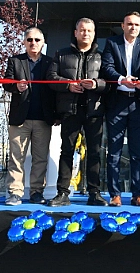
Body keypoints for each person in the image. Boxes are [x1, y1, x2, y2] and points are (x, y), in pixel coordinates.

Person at [47, 18, 109, 207]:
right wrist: (68, 85)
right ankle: (62, 193)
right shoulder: (61, 54)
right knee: (66, 152)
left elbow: (109, 82)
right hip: (70, 111)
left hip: (94, 111)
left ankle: (94, 193)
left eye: (89, 31)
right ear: (75, 32)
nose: (86, 34)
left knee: (94, 153)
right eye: (82, 30)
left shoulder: (102, 57)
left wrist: (96, 84)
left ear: (94, 33)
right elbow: (51, 78)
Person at [101, 11, 140, 207]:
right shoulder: (112, 43)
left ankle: (137, 195)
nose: (133, 28)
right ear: (123, 26)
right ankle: (115, 194)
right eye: (129, 24)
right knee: (114, 152)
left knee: (136, 153)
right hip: (117, 103)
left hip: (137, 103)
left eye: (137, 25)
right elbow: (107, 67)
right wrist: (122, 79)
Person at [2, 27, 57, 206]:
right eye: (30, 40)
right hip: (20, 118)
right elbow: (6, 82)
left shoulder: (50, 62)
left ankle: (36, 192)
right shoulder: (15, 61)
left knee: (40, 158)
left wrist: (56, 115)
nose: (33, 43)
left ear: (43, 43)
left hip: (43, 118)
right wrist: (15, 87)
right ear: (24, 42)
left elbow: (54, 90)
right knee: (16, 157)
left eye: (37, 40)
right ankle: (15, 193)